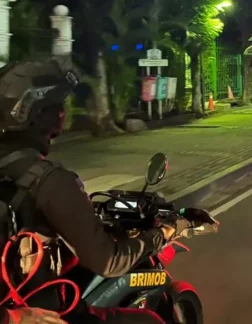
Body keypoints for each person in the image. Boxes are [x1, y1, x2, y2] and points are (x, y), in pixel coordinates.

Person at [0, 60, 218, 323]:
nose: (64, 111)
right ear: (40, 112)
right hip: (40, 314)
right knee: (148, 321)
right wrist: (166, 231)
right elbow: (109, 261)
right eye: (59, 104)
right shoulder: (49, 180)